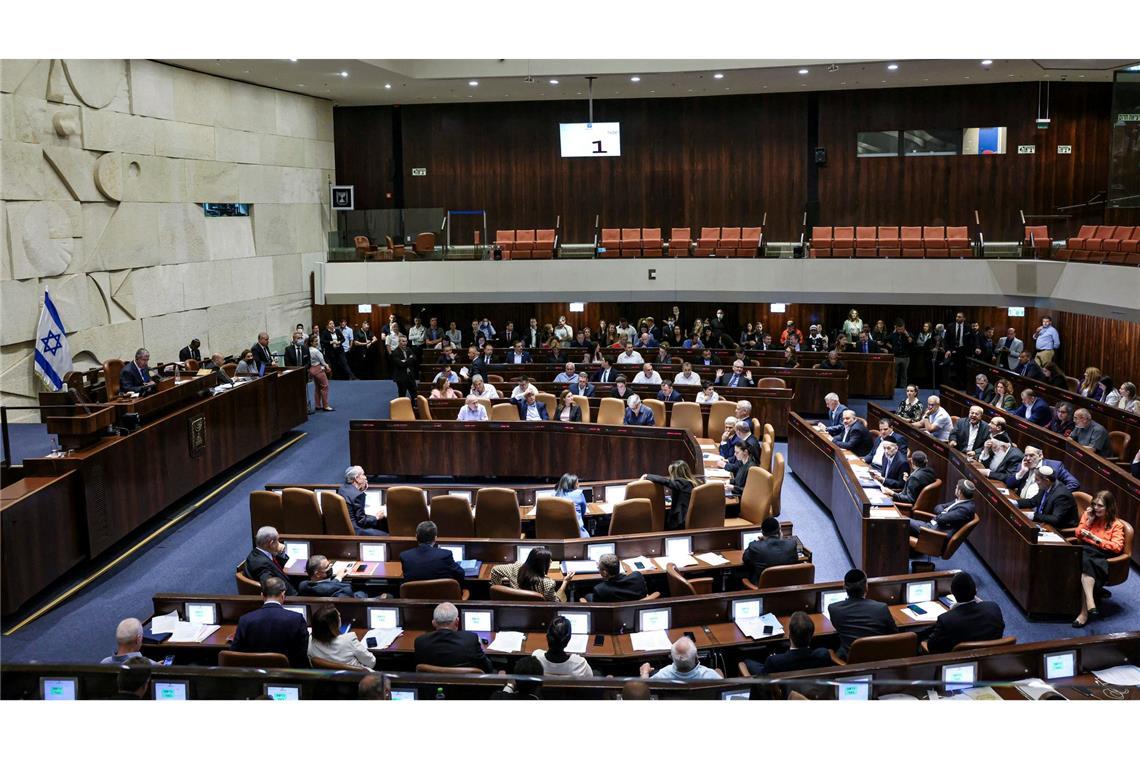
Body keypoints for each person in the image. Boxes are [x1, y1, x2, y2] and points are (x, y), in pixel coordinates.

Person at [1072, 491, 1125, 627]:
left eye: (1100, 505)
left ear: (1109, 507)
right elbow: (1078, 533)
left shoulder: (1116, 524)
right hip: (1086, 550)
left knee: (1085, 561)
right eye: (1094, 504)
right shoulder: (1088, 514)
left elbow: (1117, 547)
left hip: (1101, 554)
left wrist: (1096, 539)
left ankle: (1084, 613)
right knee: (1084, 560)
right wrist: (1088, 522)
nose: (1096, 508)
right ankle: (1090, 602)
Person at [230, 577, 310, 667]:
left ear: (262, 595)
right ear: (283, 595)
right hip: (288, 674)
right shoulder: (297, 618)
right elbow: (303, 652)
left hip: (255, 673)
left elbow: (235, 650)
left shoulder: (245, 619)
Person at [925, 572, 1005, 653]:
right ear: (976, 591)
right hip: (990, 660)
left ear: (953, 593)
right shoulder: (993, 608)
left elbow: (932, 647)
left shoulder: (946, 620)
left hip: (957, 662)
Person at [827, 569, 898, 660]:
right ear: (866, 587)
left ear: (844, 587)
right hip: (879, 657)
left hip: (852, 659)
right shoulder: (881, 608)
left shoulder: (834, 609)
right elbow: (894, 634)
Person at [742, 611, 831, 676]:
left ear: (789, 635)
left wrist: (745, 661)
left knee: (747, 661)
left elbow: (761, 677)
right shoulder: (823, 655)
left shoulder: (774, 661)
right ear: (812, 635)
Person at [414, 602, 493, 673]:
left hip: (432, 687)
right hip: (468, 687)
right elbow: (488, 668)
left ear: (433, 623)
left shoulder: (420, 642)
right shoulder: (471, 640)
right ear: (457, 622)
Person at [489, 546, 573, 601]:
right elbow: (556, 603)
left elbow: (495, 570)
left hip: (513, 608)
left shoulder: (516, 567)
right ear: (542, 565)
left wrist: (499, 594)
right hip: (536, 614)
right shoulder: (547, 584)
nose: (551, 561)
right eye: (548, 560)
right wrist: (565, 582)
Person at [308, 603, 376, 669]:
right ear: (333, 624)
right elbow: (371, 662)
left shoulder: (310, 640)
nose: (340, 618)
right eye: (339, 616)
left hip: (325, 679)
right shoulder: (348, 640)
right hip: (359, 678)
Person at [908, 479, 976, 538]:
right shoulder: (962, 501)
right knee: (902, 520)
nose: (955, 489)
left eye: (956, 488)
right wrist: (944, 512)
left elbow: (941, 519)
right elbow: (937, 507)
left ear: (959, 492)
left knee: (902, 522)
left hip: (935, 533)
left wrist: (943, 513)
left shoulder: (964, 509)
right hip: (932, 526)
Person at [1005, 445, 1080, 498]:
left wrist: (1053, 495)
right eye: (1026, 455)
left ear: (1040, 456)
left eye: (1031, 455)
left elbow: (1074, 483)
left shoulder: (1055, 466)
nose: (1027, 458)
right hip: (1022, 503)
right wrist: (1022, 472)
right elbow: (1009, 484)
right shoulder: (1023, 466)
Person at [643, 460, 699, 530]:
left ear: (676, 473)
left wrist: (647, 476)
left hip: (680, 520)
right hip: (692, 518)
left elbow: (666, 482)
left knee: (658, 519)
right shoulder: (694, 482)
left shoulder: (682, 483)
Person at [400, 521, 465, 582]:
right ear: (435, 538)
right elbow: (461, 574)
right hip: (441, 593)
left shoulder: (405, 556)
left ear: (416, 536)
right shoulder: (445, 555)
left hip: (414, 594)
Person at [742, 517, 799, 584]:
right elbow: (796, 559)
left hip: (764, 588)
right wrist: (781, 538)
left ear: (762, 533)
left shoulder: (755, 547)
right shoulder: (791, 544)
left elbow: (745, 558)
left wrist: (758, 542)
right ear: (779, 531)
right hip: (787, 586)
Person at [245, 526, 298, 595]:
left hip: (290, 584)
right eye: (277, 541)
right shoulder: (261, 565)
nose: (279, 544)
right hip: (290, 596)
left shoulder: (259, 553)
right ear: (271, 543)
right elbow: (271, 588)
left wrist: (281, 553)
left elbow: (281, 568)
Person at [640, 636, 722, 681]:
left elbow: (645, 690)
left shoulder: (662, 675)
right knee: (718, 671)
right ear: (697, 657)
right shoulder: (710, 676)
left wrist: (644, 673)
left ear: (671, 657)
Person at [338, 465, 386, 536]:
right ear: (357, 478)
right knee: (387, 535)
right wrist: (376, 517)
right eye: (363, 474)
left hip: (344, 528)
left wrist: (360, 489)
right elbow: (362, 521)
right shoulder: (358, 495)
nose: (365, 477)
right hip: (356, 531)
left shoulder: (342, 489)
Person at [299, 554, 368, 598]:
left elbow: (326, 585)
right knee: (364, 591)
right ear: (317, 574)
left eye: (330, 564)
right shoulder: (336, 590)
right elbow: (328, 587)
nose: (330, 567)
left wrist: (338, 578)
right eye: (327, 567)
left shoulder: (303, 586)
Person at [552, 473, 589, 538]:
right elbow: (583, 511)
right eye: (577, 483)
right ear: (572, 485)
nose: (579, 485)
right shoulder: (578, 494)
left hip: (557, 533)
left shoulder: (554, 494)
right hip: (578, 533)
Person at [305, 335, 333, 412]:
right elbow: (323, 362)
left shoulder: (307, 350)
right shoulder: (316, 351)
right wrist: (327, 367)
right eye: (315, 341)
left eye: (317, 341)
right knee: (325, 386)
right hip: (318, 369)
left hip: (311, 369)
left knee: (317, 387)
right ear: (311, 342)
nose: (317, 342)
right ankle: (326, 405)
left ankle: (317, 405)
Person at [389, 335, 417, 400]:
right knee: (402, 395)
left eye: (406, 341)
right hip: (401, 376)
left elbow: (415, 358)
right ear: (399, 342)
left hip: (410, 375)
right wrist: (409, 359)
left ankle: (413, 408)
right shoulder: (395, 352)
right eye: (403, 341)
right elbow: (401, 364)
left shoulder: (409, 349)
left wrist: (405, 361)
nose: (405, 343)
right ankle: (402, 409)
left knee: (414, 394)